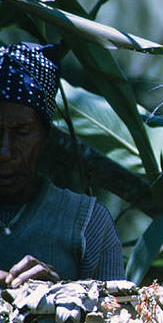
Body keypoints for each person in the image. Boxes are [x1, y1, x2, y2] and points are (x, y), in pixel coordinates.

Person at [0, 42, 124, 287]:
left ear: (45, 136)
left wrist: (61, 296)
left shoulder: (87, 221)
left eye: (22, 131)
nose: (5, 152)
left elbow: (117, 318)